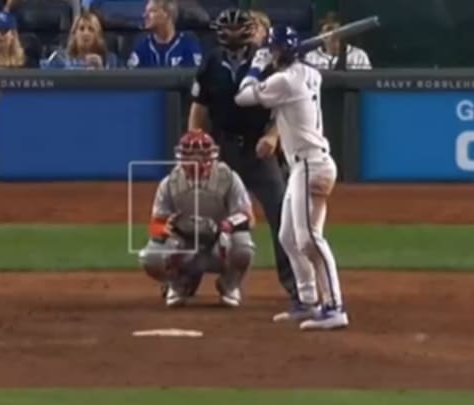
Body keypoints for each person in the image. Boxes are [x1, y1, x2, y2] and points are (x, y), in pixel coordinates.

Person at [234, 25, 348, 330]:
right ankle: (308, 301)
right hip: (304, 166)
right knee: (288, 236)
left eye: (273, 49)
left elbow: (243, 97)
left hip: (311, 166)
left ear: (283, 53)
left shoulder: (286, 81)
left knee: (309, 238)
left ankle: (335, 307)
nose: (269, 53)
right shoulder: (309, 73)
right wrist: (281, 54)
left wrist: (256, 67)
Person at [188, 8, 299, 308]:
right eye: (230, 30)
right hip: (221, 150)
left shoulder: (266, 61)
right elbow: (199, 107)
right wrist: (196, 141)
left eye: (241, 29)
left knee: (282, 214)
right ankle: (187, 282)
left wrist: (273, 137)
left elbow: (283, 108)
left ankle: (296, 285)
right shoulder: (211, 61)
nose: (236, 36)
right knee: (202, 216)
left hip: (258, 150)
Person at [138, 129, 256, 308]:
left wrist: (228, 225)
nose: (196, 159)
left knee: (243, 245)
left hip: (219, 244)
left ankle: (229, 284)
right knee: (151, 256)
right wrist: (165, 228)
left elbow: (249, 218)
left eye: (201, 154)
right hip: (184, 246)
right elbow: (155, 225)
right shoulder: (170, 183)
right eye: (190, 154)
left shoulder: (228, 178)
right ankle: (178, 284)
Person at [127, 0, 202, 68]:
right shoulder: (142, 45)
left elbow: (193, 77)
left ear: (167, 14)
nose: (145, 15)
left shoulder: (188, 43)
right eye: (146, 11)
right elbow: (131, 77)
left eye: (152, 11)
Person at [42, 11, 118, 69]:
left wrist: (101, 70)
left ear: (98, 36)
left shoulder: (110, 60)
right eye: (81, 29)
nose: (86, 33)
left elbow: (118, 85)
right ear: (74, 34)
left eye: (91, 29)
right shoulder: (59, 58)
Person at [304, 12, 371, 70]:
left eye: (338, 29)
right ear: (320, 34)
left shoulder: (359, 56)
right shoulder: (310, 58)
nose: (334, 33)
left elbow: (367, 82)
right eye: (329, 29)